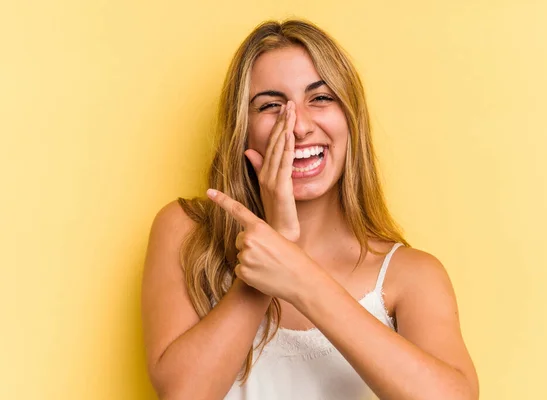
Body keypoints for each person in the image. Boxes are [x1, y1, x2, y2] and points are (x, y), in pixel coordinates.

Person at [141, 19, 479, 400]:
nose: (298, 126)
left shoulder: (410, 275)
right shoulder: (186, 232)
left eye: (320, 98)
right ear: (243, 130)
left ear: (351, 120)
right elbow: (184, 394)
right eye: (271, 105)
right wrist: (270, 251)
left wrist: (298, 276)